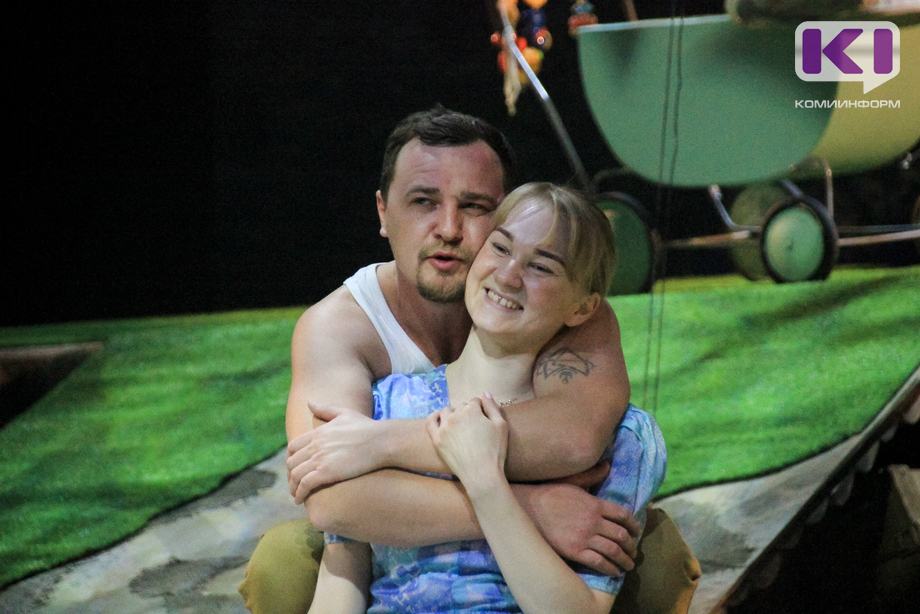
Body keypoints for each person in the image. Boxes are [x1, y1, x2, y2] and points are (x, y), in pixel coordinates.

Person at [238, 106, 700, 613]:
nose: (449, 228)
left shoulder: (563, 306)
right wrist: (534, 508)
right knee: (283, 560)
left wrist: (376, 442)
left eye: (475, 206)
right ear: (383, 213)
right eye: (423, 201)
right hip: (391, 534)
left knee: (656, 554)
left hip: (552, 566)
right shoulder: (339, 328)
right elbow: (332, 498)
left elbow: (576, 438)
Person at [308, 182, 666, 613]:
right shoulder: (384, 405)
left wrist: (485, 481)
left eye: (542, 267)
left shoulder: (625, 439)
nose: (508, 275)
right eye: (500, 248)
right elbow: (341, 578)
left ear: (583, 308)